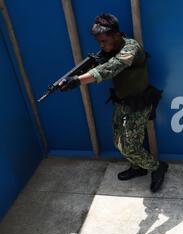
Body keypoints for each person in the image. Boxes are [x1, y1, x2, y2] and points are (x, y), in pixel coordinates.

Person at [58, 13, 168, 193]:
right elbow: (104, 62)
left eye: (104, 41)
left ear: (117, 35)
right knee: (119, 141)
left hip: (139, 103)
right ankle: (138, 168)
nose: (101, 45)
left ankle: (157, 167)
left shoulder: (131, 48)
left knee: (130, 146)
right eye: (99, 42)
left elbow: (111, 68)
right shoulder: (111, 48)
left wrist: (78, 80)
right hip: (122, 102)